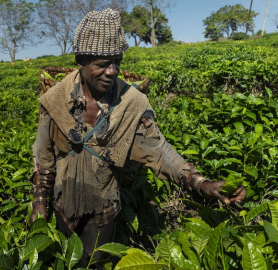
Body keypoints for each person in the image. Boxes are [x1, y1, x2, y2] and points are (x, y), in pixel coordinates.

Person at [30, 8, 245, 268]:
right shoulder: (55, 99)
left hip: (104, 208)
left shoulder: (132, 103)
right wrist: (39, 204)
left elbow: (158, 150)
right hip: (63, 203)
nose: (112, 71)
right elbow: (43, 157)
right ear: (81, 61)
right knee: (63, 261)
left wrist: (200, 183)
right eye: (101, 64)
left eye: (116, 62)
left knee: (96, 262)